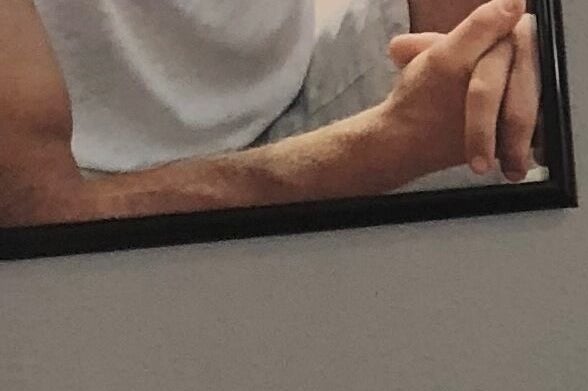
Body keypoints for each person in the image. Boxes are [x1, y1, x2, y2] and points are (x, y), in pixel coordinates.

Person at [0, 0, 542, 228]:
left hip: (303, 88)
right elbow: (40, 215)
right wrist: (381, 148)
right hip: (91, 185)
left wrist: (533, 52)